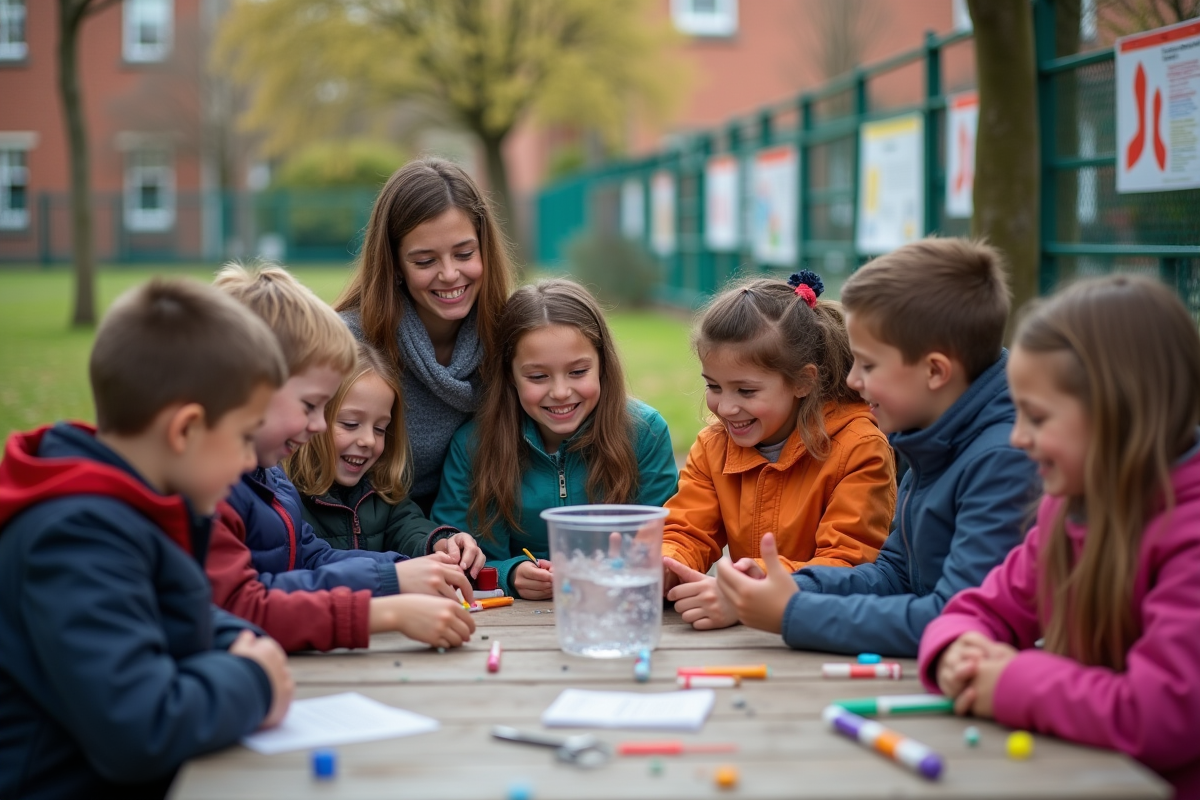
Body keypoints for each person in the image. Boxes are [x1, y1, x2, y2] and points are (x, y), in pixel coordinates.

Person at [0, 279, 293, 798]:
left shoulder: (129, 508)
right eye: (245, 436)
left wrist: (235, 643)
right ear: (185, 431)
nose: (251, 460)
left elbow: (173, 613)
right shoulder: (75, 540)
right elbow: (139, 729)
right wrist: (253, 681)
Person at [918, 274, 1200, 796]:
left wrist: (1012, 683)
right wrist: (957, 648)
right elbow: (979, 607)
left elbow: (1160, 715)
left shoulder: (1188, 535)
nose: (1018, 437)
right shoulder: (1066, 511)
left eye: (1038, 417)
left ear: (1120, 412)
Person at [719, 239, 1038, 656]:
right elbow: (896, 574)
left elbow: (958, 620)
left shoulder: (1003, 461)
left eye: (868, 365)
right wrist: (783, 585)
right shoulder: (932, 435)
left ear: (935, 371)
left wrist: (793, 612)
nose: (852, 380)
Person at [205, 263, 476, 652]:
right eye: (311, 405)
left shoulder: (270, 480)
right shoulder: (208, 490)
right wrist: (386, 608)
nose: (317, 425)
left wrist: (402, 571)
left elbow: (313, 556)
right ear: (250, 386)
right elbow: (244, 605)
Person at [660, 271, 895, 630]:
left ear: (803, 381)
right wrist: (662, 566)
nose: (724, 408)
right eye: (714, 386)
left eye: (746, 391)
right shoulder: (713, 447)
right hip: (746, 635)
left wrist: (757, 586)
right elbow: (687, 531)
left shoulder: (859, 448)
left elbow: (850, 563)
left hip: (826, 632)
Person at [432, 279, 679, 599]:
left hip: (616, 609)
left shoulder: (645, 433)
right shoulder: (474, 446)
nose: (561, 392)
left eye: (578, 372)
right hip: (513, 626)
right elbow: (462, 553)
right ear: (510, 374)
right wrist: (510, 574)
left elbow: (669, 543)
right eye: (538, 376)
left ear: (602, 364)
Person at [337, 158, 516, 513]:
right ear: (395, 266)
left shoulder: (509, 339)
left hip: (470, 535)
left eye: (464, 253)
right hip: (367, 538)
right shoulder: (347, 345)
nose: (450, 274)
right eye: (424, 261)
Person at [286, 340, 485, 573]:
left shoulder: (382, 493)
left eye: (380, 429)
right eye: (351, 424)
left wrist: (443, 543)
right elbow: (315, 561)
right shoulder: (287, 497)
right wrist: (396, 571)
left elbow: (410, 528)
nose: (368, 440)